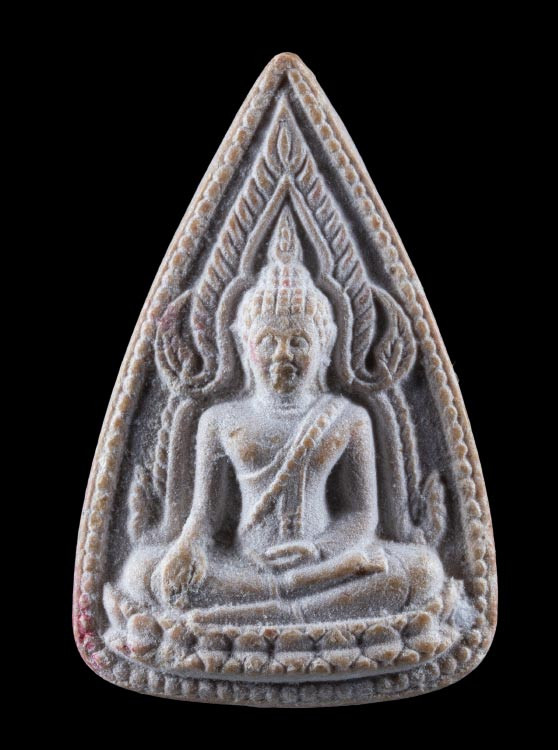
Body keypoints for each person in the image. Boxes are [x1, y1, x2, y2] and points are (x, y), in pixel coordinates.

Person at [117, 209, 444, 626]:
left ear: (325, 347)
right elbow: (204, 517)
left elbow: (362, 517)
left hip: (321, 564)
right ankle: (291, 608)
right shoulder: (220, 419)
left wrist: (320, 551)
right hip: (245, 567)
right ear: (245, 347)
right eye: (268, 342)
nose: (282, 354)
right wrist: (188, 546)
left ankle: (256, 614)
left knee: (422, 572)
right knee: (140, 572)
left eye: (299, 341)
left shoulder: (348, 417)